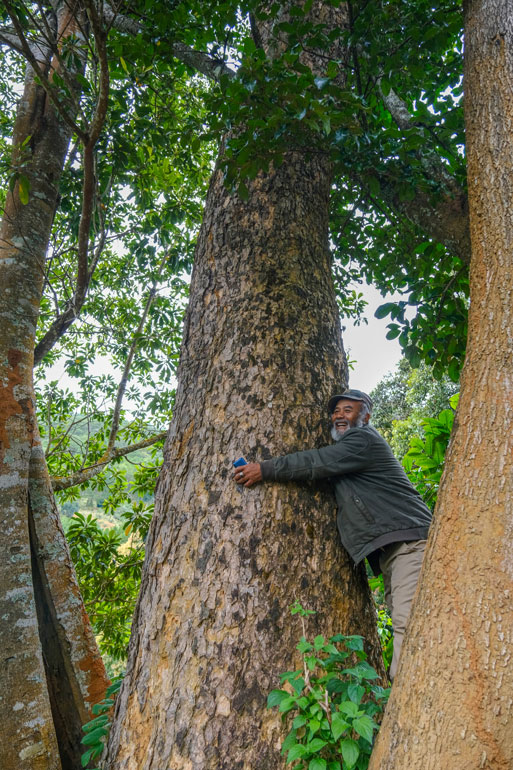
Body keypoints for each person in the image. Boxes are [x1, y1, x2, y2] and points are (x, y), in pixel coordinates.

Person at [232, 388, 432, 679]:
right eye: (336, 411)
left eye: (348, 410)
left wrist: (264, 469)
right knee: (404, 619)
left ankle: (407, 700)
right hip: (396, 549)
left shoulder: (362, 440)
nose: (339, 415)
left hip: (410, 543)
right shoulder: (351, 457)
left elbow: (316, 462)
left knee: (408, 623)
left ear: (365, 415)